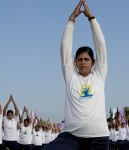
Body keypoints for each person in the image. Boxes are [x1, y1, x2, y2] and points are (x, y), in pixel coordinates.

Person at [44, 0, 109, 149]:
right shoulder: (70, 76)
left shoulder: (99, 75)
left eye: (86, 59)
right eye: (79, 59)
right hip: (71, 137)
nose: (83, 62)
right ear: (74, 63)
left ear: (93, 62)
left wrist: (92, 19)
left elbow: (101, 45)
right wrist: (71, 20)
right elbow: (65, 48)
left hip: (98, 137)